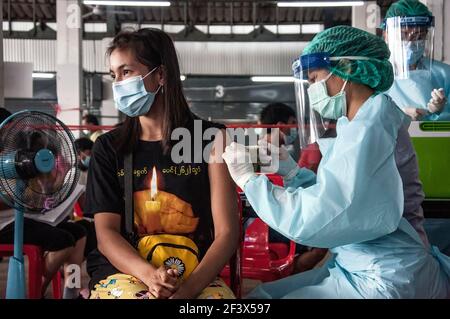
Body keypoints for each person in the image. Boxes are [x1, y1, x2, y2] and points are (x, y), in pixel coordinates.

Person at [222, 26, 450, 298]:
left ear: (348, 69)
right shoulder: (358, 121)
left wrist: (251, 181)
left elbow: (321, 217)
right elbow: (342, 189)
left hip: (385, 276)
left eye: (314, 78)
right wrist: (294, 173)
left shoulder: (371, 125)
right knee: (264, 296)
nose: (312, 89)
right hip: (361, 264)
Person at [86, 28, 239, 299]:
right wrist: (150, 277)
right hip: (125, 272)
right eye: (114, 75)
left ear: (160, 75)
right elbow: (106, 234)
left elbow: (227, 233)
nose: (118, 83)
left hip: (192, 273)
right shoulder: (108, 148)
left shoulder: (211, 139)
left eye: (127, 72)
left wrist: (188, 291)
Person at [0, 108, 87, 299]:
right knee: (62, 240)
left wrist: (45, 189)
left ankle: (70, 292)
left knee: (79, 233)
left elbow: (35, 194)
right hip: (4, 225)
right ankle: (36, 292)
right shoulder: (6, 162)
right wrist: (17, 199)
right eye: (7, 132)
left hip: (23, 218)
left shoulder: (20, 160)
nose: (11, 136)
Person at [257, 103, 328, 273]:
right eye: (293, 123)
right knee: (322, 241)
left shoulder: (277, 153)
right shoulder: (264, 153)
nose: (295, 128)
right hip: (267, 222)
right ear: (281, 126)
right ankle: (288, 279)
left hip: (273, 216)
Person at [382, 0, 450, 121]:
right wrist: (398, 115)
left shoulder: (444, 74)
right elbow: (364, 118)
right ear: (386, 34)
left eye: (419, 37)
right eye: (403, 35)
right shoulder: (374, 75)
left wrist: (441, 110)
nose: (410, 43)